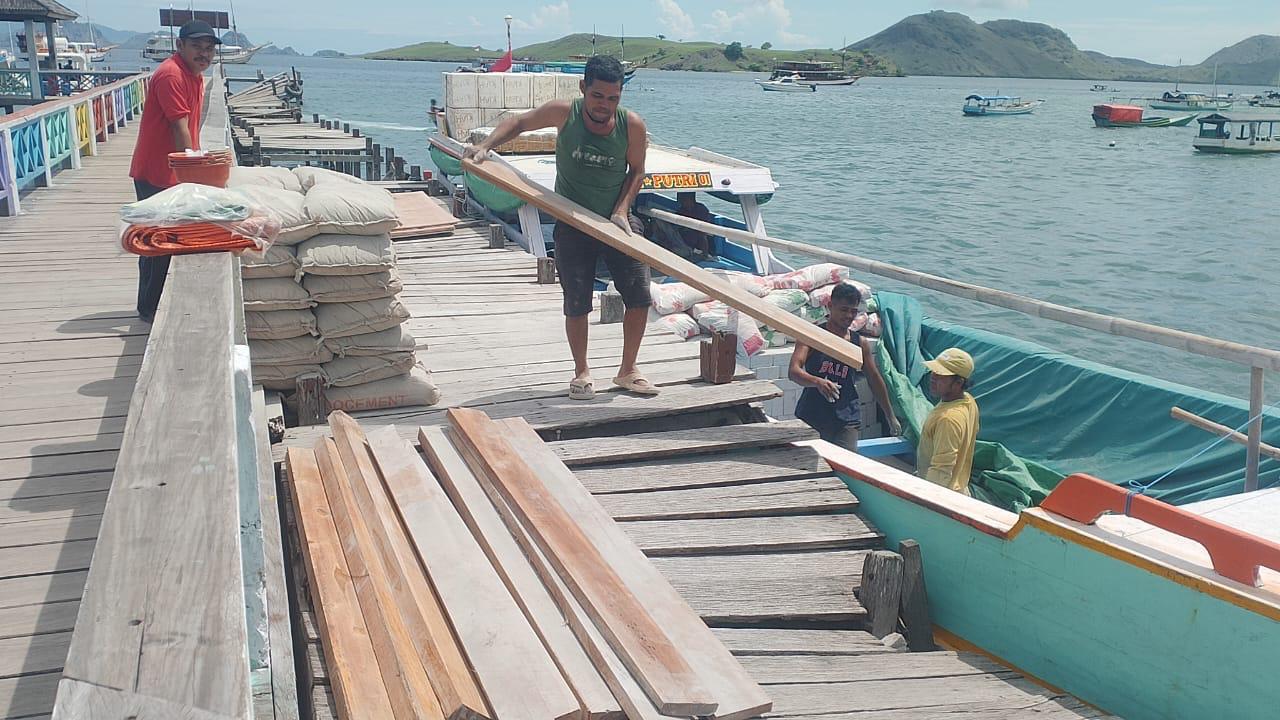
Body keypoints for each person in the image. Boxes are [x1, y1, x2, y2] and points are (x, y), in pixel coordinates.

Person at [464, 55, 656, 400]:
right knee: (577, 301)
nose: (604, 105)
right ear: (583, 88)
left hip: (616, 220)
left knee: (640, 295)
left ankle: (628, 370)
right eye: (598, 96)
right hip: (571, 219)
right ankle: (581, 373)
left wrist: (622, 210)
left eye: (613, 98)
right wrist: (485, 146)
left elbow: (637, 171)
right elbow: (519, 122)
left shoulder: (632, 125)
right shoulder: (564, 113)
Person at [127, 21, 219, 323]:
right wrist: (193, 177)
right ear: (180, 46)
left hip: (173, 171)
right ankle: (150, 309)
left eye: (209, 49)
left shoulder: (195, 75)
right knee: (158, 244)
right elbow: (180, 128)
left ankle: (152, 305)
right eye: (197, 47)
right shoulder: (171, 74)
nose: (204, 54)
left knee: (164, 241)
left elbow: (191, 127)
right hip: (157, 172)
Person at [789, 283, 900, 449]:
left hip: (847, 418)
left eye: (853, 311)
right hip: (812, 414)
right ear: (830, 306)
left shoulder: (859, 343)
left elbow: (874, 379)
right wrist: (818, 382)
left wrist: (890, 416)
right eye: (843, 310)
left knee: (845, 462)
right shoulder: (811, 336)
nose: (849, 315)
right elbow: (793, 371)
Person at [917, 347, 981, 495]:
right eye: (934, 371)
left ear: (958, 383)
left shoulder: (948, 419)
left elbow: (941, 471)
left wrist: (924, 498)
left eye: (941, 375)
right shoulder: (968, 401)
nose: (933, 377)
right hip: (959, 488)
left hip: (943, 494)